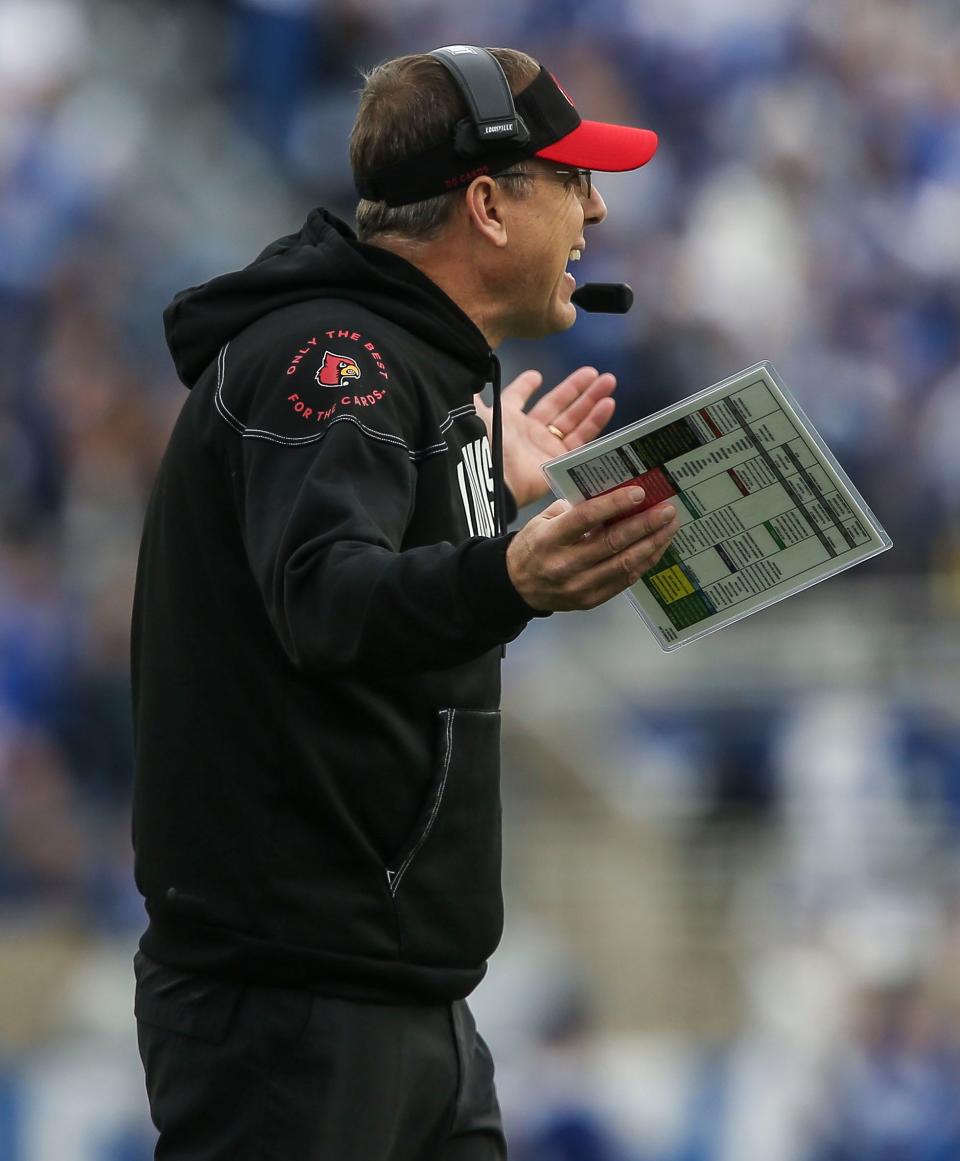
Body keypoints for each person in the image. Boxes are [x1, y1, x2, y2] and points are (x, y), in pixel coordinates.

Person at [132, 44, 678, 1161]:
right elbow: (328, 604)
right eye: (572, 178)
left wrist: (477, 491)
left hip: (397, 1001)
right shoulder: (333, 361)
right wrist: (508, 574)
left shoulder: (405, 372)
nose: (600, 208)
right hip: (294, 1013)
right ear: (486, 203)